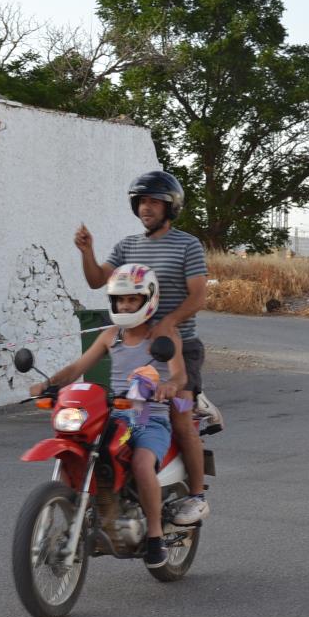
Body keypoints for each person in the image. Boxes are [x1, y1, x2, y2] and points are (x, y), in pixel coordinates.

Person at [29, 265, 192, 568]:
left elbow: (180, 375)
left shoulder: (163, 335)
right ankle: (77, 516)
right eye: (120, 300)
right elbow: (76, 369)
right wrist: (49, 384)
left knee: (142, 463)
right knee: (78, 449)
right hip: (115, 415)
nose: (125, 306)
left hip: (150, 418)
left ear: (148, 300)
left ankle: (155, 536)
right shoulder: (110, 336)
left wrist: (169, 385)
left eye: (132, 299)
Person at [74, 170, 209, 502]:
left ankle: (196, 496)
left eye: (154, 202)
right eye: (142, 202)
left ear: (170, 207)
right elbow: (97, 280)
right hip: (135, 347)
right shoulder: (127, 246)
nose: (146, 208)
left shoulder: (187, 245)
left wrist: (169, 322)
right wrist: (87, 252)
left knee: (180, 418)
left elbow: (198, 296)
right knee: (118, 417)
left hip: (178, 349)